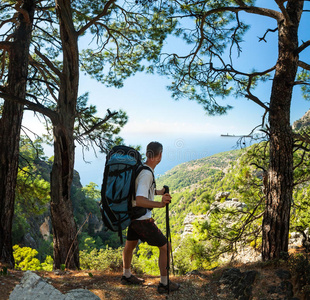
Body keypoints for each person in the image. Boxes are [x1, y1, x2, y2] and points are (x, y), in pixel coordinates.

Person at [121, 141, 180, 294]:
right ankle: (164, 283)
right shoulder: (147, 173)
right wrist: (160, 205)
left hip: (133, 217)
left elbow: (142, 191)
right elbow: (140, 199)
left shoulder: (142, 169)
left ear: (148, 153)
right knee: (166, 247)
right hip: (142, 220)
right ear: (159, 155)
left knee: (129, 247)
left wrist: (159, 192)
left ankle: (126, 276)